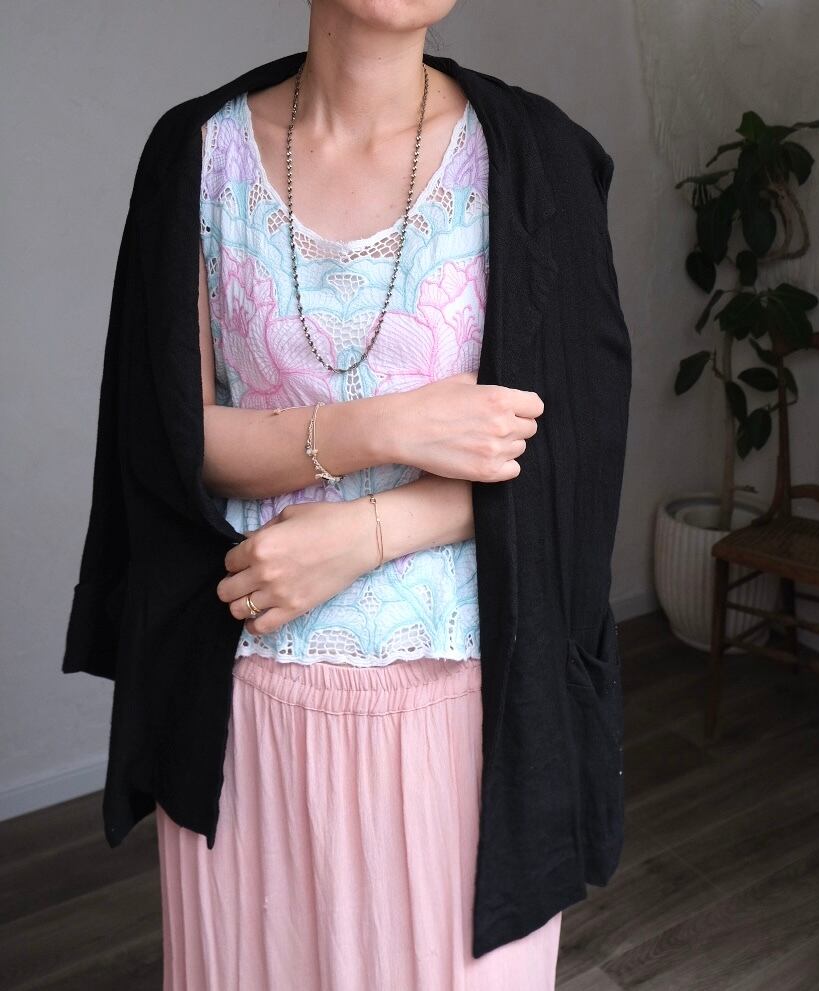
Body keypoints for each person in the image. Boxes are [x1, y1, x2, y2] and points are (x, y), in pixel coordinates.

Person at [154, 2, 562, 988]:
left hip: (462, 704)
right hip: (245, 692)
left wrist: (367, 532)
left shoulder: (534, 159)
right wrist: (383, 428)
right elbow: (166, 440)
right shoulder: (199, 156)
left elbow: (571, 458)